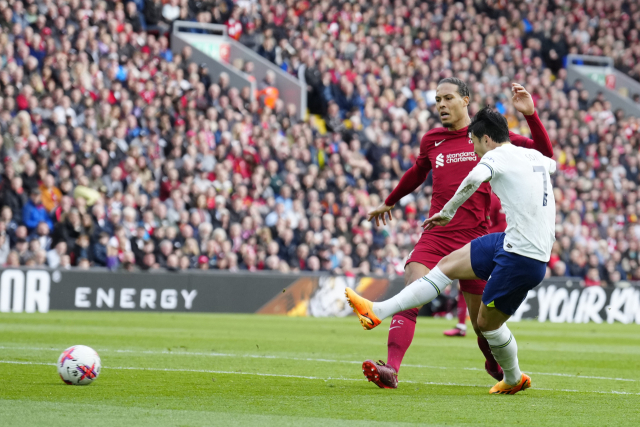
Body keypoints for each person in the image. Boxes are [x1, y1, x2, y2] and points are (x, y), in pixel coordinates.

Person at [347, 107, 556, 395]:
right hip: (507, 242)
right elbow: (549, 159)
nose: (472, 148)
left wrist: (447, 211)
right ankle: (377, 312)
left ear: (484, 138)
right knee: (445, 266)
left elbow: (473, 179)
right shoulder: (530, 156)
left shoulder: (495, 155)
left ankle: (512, 376)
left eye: (474, 142)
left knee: (485, 324)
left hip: (521, 255)